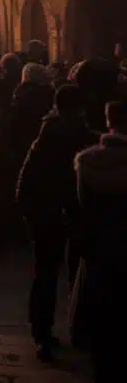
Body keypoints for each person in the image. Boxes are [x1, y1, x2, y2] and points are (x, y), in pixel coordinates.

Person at [16, 83, 96, 361]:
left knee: (46, 274)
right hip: (74, 213)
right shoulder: (87, 139)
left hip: (46, 213)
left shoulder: (45, 135)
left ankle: (42, 331)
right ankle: (79, 327)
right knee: (78, 272)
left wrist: (30, 212)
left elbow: (24, 182)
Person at [74, 100, 127, 383]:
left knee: (101, 308)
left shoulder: (88, 161)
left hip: (99, 245)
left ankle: (103, 366)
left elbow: (81, 206)